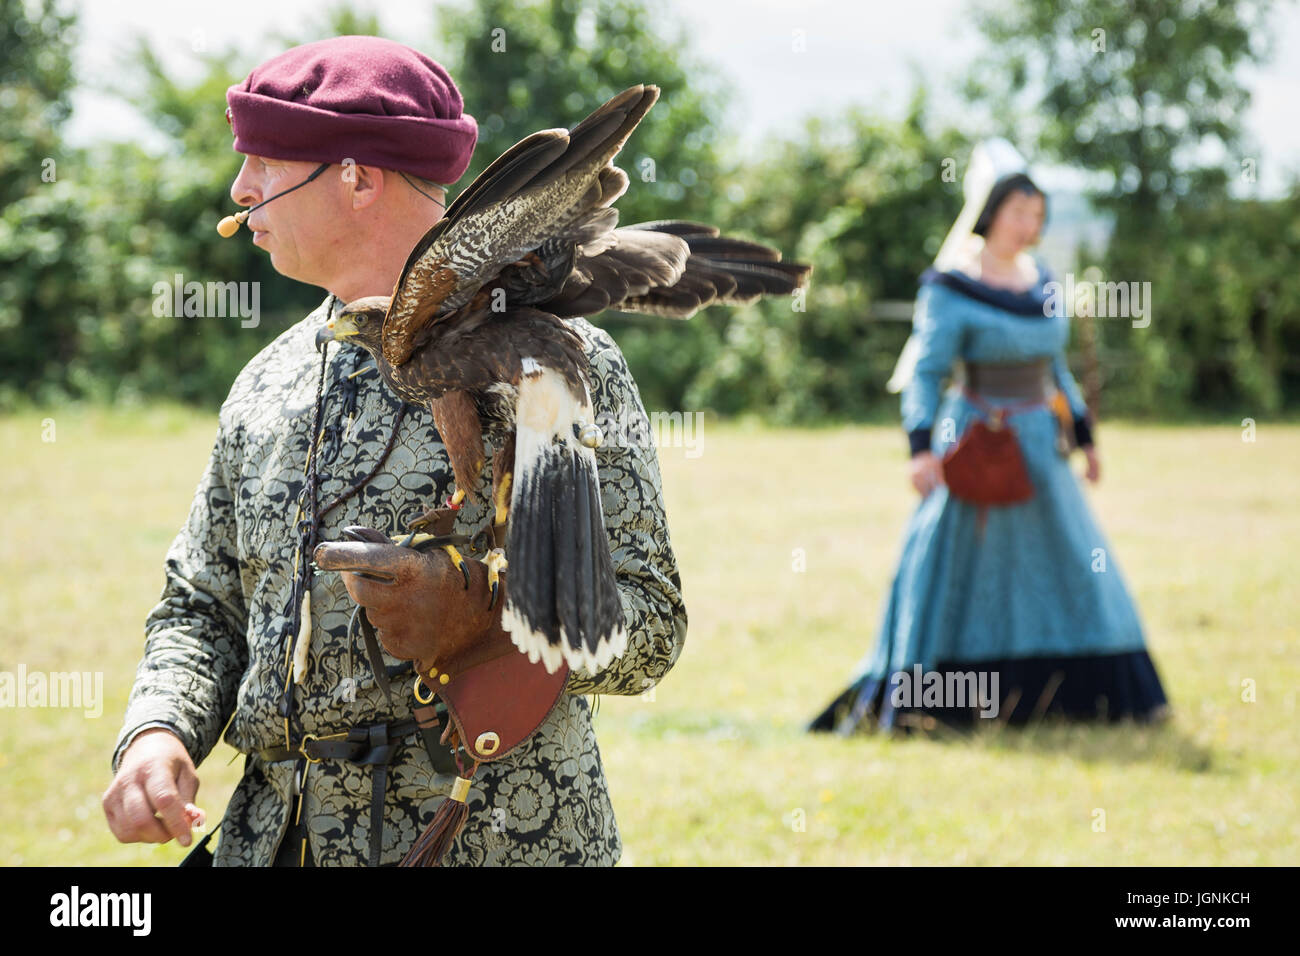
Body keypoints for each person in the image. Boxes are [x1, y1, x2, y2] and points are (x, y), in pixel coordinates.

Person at [101, 35, 687, 866]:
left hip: (493, 839)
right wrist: (158, 730)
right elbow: (202, 607)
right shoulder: (267, 384)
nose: (240, 190)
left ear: (357, 177)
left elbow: (652, 627)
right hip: (277, 840)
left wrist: (489, 616)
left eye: (265, 162)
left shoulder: (551, 362)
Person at [810, 139, 1167, 733]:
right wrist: (921, 449)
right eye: (1020, 210)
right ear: (992, 212)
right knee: (958, 568)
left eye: (1038, 211)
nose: (1031, 223)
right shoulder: (950, 286)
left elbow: (1057, 372)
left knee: (1074, 562)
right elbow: (925, 372)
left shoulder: (1043, 282)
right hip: (972, 439)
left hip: (1039, 447)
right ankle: (941, 704)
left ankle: (1076, 696)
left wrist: (1085, 437)